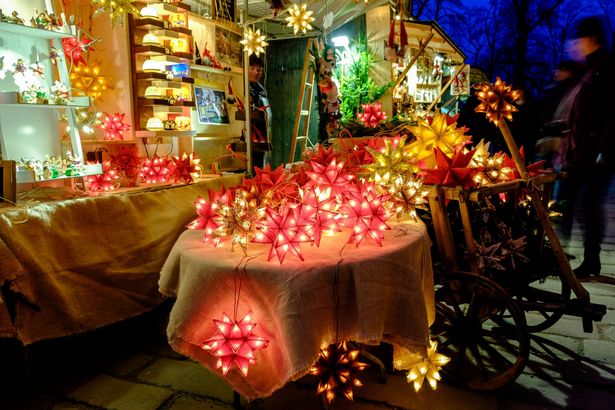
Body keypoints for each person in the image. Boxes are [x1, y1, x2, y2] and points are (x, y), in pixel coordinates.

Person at [561, 15, 614, 278]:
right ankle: (564, 254)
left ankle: (590, 261)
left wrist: (603, 150)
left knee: (588, 206)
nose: (575, 45)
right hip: (584, 153)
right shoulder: (592, 69)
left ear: (591, 39)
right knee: (573, 203)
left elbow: (610, 112)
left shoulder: (606, 68)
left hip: (595, 155)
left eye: (579, 39)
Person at [247, 54, 272, 170]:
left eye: (259, 70)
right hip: (249, 132)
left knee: (261, 165)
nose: (255, 72)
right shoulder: (243, 84)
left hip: (263, 132)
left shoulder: (262, 89)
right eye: (252, 68)